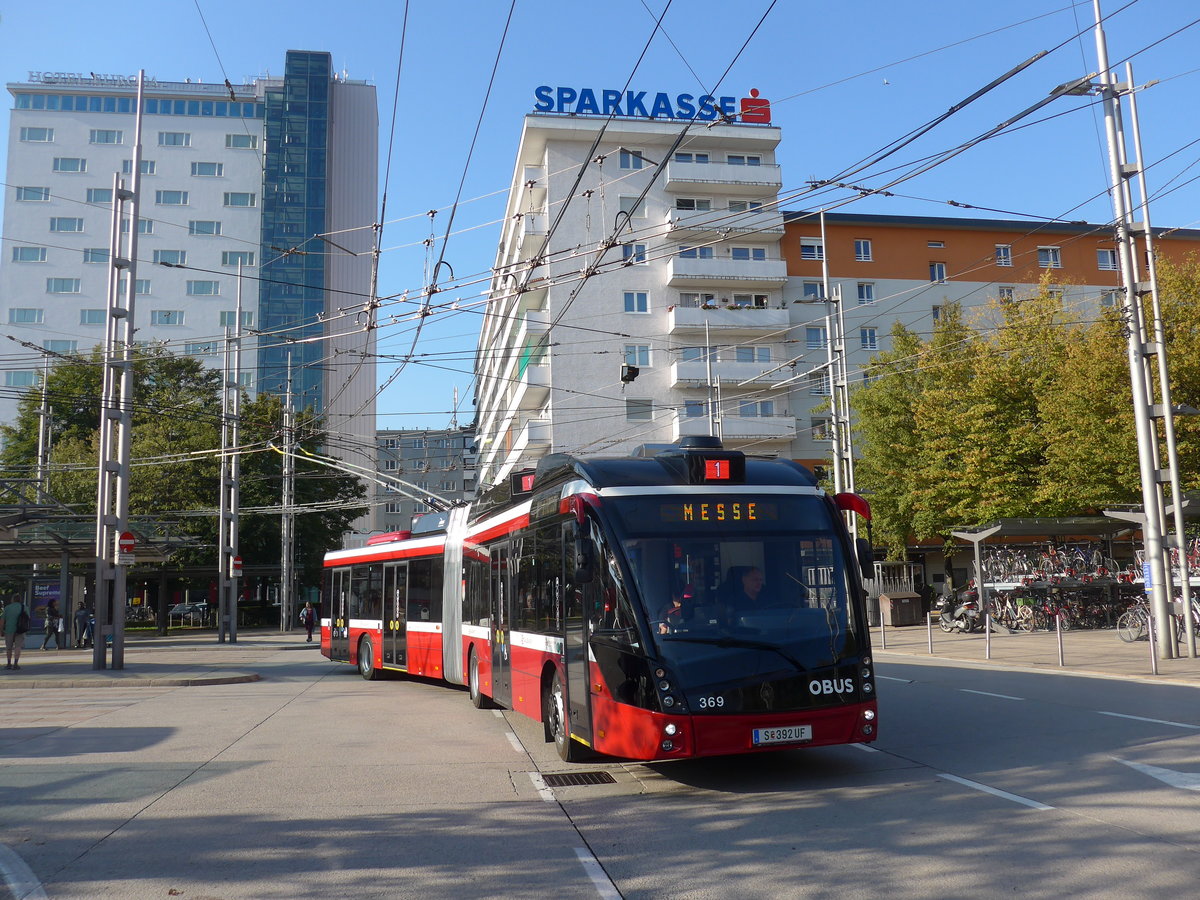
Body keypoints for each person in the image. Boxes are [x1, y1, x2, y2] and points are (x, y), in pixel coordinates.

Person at [3, 595, 27, 671]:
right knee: (18, 647)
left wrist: (1, 630)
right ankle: (16, 664)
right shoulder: (24, 607)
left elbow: (2, 621)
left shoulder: (7, 608)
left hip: (9, 629)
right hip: (20, 630)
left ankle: (9, 663)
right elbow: (28, 619)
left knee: (9, 647)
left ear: (12, 599)